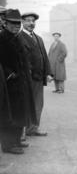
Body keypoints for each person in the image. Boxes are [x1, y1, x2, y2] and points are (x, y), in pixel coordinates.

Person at [0, 9, 37, 154]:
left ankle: (16, 141)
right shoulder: (2, 38)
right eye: (12, 23)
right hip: (8, 84)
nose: (16, 26)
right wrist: (9, 74)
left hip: (20, 83)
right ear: (5, 23)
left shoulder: (16, 38)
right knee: (9, 115)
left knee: (19, 113)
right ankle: (8, 145)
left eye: (18, 23)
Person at [21, 12, 52, 137]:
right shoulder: (19, 37)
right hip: (26, 78)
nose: (31, 23)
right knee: (27, 104)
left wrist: (48, 73)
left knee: (38, 104)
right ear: (22, 22)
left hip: (38, 78)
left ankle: (33, 128)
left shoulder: (38, 38)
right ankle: (24, 130)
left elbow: (44, 56)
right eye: (27, 20)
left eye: (33, 21)